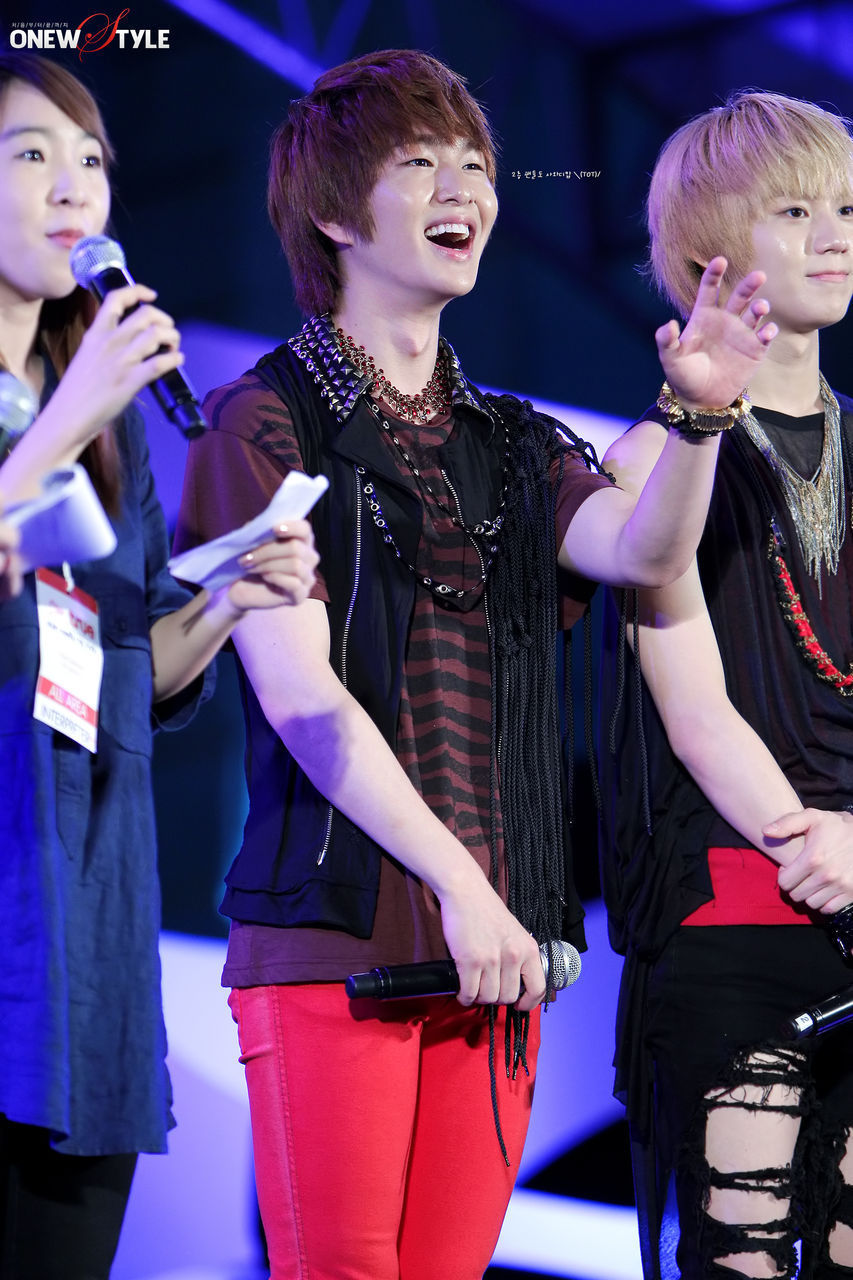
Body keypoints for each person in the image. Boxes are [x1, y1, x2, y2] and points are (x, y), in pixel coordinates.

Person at [174, 49, 776, 1280]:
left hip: (499, 946)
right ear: (336, 214)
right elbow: (302, 697)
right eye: (420, 163)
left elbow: (640, 549)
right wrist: (462, 890)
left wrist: (701, 417)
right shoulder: (262, 420)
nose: (464, 189)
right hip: (339, 939)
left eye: (474, 164)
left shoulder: (511, 439)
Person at [0, 53, 318, 1280]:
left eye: (90, 160)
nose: (72, 185)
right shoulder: (83, 407)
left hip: (87, 908)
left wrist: (232, 592)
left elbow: (137, 663)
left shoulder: (109, 425)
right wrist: (72, 410)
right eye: (32, 154)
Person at [599, 90, 853, 1280]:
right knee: (736, 1254)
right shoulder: (654, 457)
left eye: (844, 208)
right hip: (739, 909)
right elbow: (694, 708)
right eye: (795, 211)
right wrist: (819, 844)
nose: (832, 235)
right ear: (711, 248)